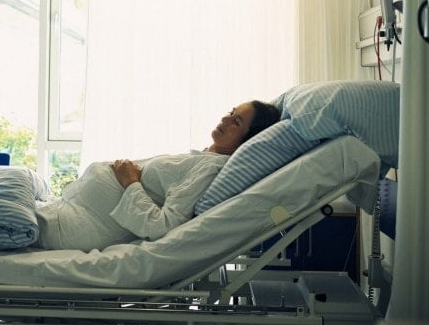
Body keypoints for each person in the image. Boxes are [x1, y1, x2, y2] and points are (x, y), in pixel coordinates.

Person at [35, 100, 280, 251]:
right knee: (15, 182)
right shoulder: (205, 158)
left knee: (7, 194)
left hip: (76, 226)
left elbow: (163, 226)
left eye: (236, 121)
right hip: (68, 209)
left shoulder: (209, 169)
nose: (225, 118)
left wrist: (130, 181)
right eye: (231, 112)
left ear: (247, 140)